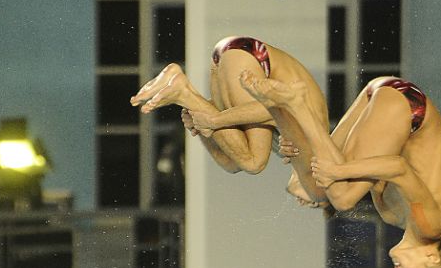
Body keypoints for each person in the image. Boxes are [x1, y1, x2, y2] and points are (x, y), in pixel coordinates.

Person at [239, 72, 441, 268]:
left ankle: (279, 115)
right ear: (431, 256)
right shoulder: (431, 226)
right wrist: (338, 172)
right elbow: (398, 167)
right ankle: (296, 104)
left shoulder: (391, 215)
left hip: (383, 95)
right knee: (342, 197)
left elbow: (373, 167)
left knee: (310, 188)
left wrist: (322, 182)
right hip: (409, 108)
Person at [130, 36, 330, 203]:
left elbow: (248, 127)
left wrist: (201, 124)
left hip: (233, 56)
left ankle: (185, 94)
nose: (306, 201)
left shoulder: (295, 148)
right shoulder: (315, 139)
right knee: (254, 162)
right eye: (317, 203)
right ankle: (184, 94)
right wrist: (215, 121)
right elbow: (274, 109)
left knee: (232, 162)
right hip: (250, 59)